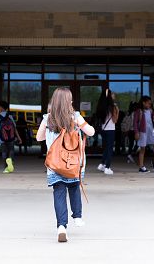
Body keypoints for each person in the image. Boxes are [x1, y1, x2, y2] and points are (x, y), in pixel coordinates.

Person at [36, 87, 95, 243]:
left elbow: (39, 138)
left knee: (59, 193)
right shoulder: (75, 116)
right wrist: (80, 125)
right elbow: (91, 132)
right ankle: (77, 216)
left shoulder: (48, 118)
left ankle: (61, 227)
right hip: (73, 162)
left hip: (55, 164)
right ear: (68, 101)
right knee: (74, 187)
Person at [0, 101, 22, 174]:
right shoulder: (10, 116)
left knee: (4, 152)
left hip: (2, 138)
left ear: (1, 108)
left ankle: (6, 167)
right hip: (11, 137)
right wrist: (19, 138)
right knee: (11, 150)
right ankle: (10, 160)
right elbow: (14, 128)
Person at [96, 89, 119, 175]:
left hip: (103, 129)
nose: (114, 96)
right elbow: (115, 120)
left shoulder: (101, 106)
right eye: (112, 94)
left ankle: (102, 164)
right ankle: (107, 167)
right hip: (110, 129)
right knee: (110, 149)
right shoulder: (112, 106)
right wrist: (117, 110)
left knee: (106, 147)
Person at [133, 96, 154, 173]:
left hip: (151, 131)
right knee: (142, 149)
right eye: (148, 103)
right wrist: (136, 132)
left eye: (150, 104)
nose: (149, 105)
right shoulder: (139, 111)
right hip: (142, 132)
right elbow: (135, 123)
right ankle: (141, 166)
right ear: (143, 103)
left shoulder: (151, 111)